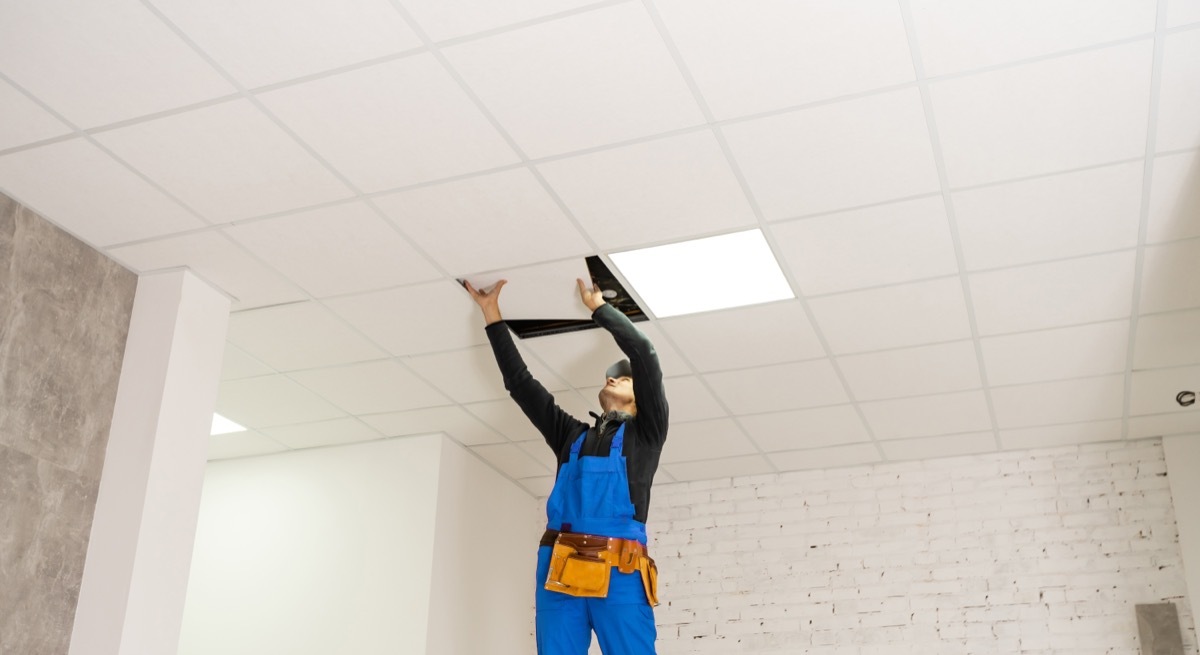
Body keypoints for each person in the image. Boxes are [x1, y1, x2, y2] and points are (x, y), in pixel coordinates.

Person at [465, 277, 668, 655]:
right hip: (560, 567)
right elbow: (521, 385)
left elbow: (644, 352)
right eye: (611, 375)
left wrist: (599, 309)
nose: (613, 378)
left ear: (641, 399)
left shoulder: (647, 434)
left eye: (624, 378)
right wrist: (492, 314)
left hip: (621, 571)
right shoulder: (570, 437)